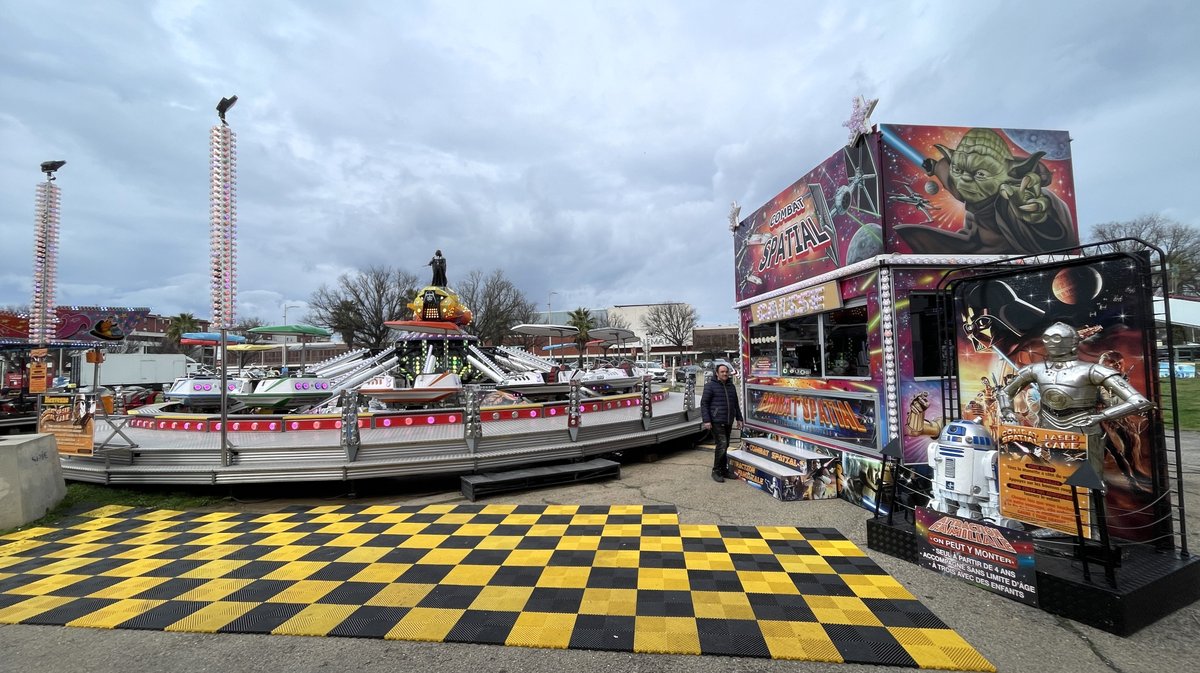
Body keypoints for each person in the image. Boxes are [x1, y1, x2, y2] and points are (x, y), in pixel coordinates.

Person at [701, 362, 743, 483]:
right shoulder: (710, 386)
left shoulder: (731, 386)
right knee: (722, 444)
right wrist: (707, 420)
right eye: (722, 372)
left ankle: (724, 470)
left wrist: (739, 418)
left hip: (728, 420)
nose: (725, 374)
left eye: (726, 372)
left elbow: (735, 404)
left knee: (725, 445)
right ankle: (716, 470)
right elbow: (704, 404)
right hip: (716, 421)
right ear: (717, 374)